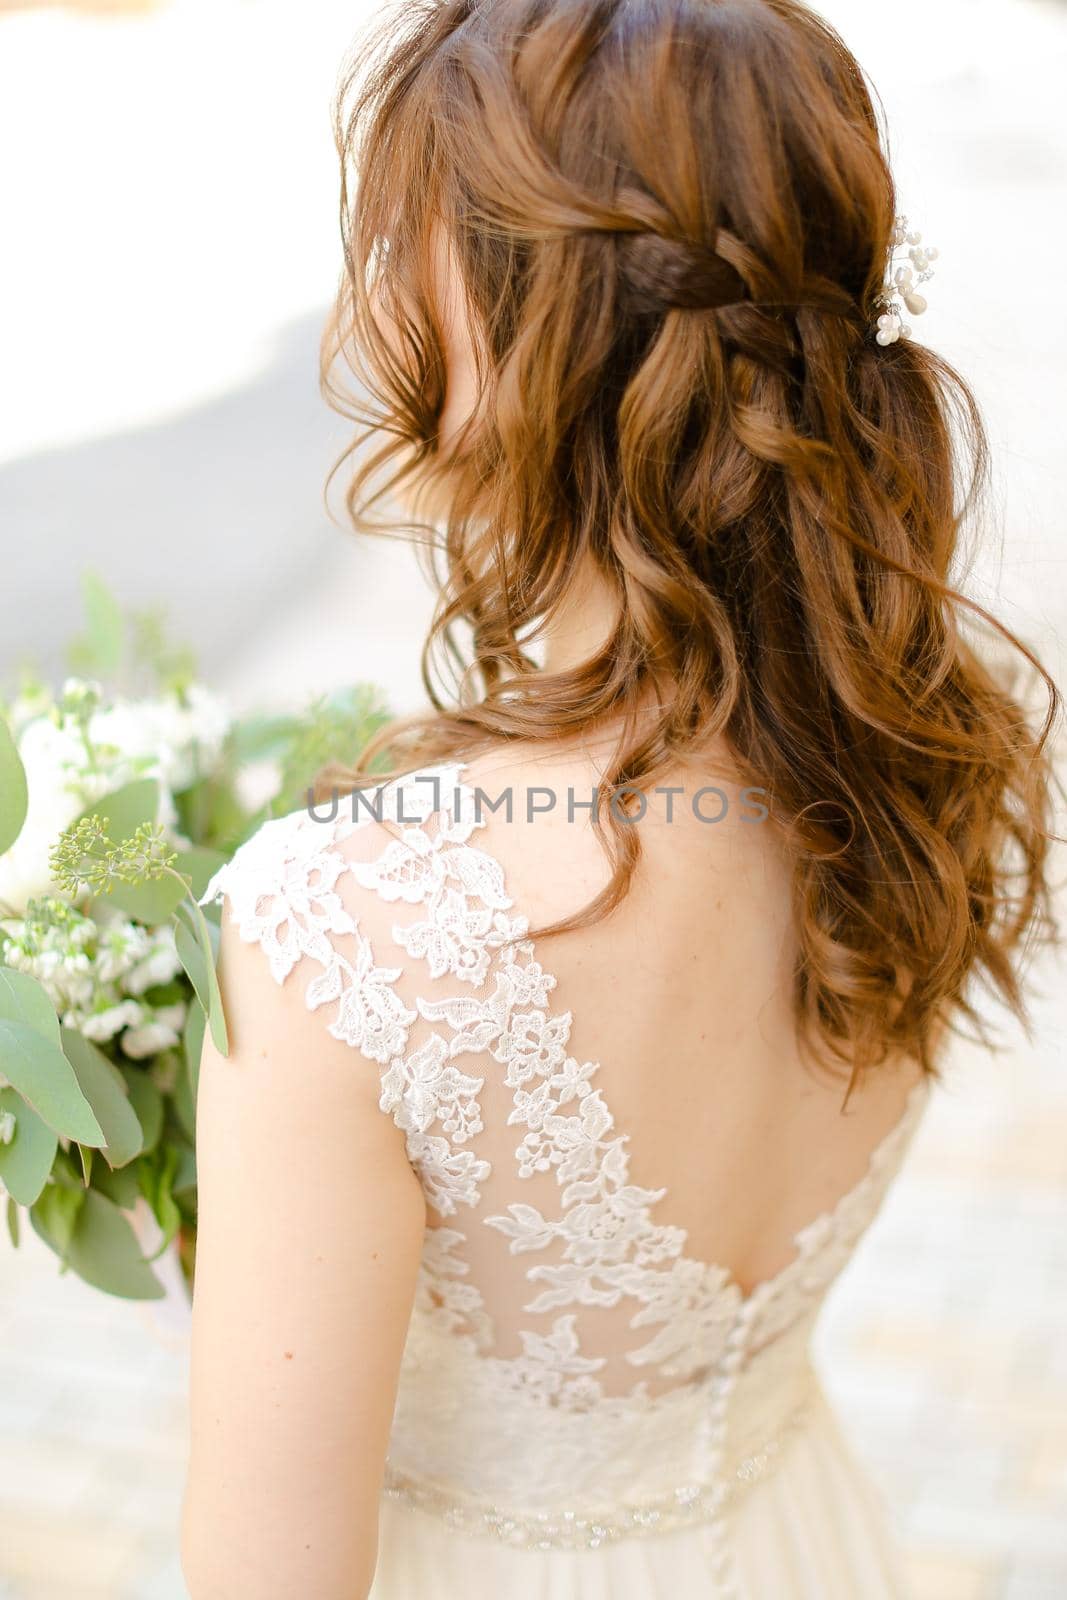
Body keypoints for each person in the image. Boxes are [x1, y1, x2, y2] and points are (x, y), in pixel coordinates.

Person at [180, 2, 1058, 1596]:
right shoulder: (909, 755)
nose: (367, 308)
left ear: (546, 334)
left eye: (403, 248)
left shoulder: (342, 935)